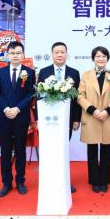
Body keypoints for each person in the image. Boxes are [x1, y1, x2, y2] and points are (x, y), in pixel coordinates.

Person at [37, 41, 81, 193]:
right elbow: (38, 97)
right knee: (50, 151)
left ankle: (64, 182)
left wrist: (76, 119)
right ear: (52, 54)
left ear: (66, 54)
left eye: (62, 52)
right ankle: (50, 181)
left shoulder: (74, 73)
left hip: (67, 120)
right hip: (49, 120)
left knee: (63, 151)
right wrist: (38, 119)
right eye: (57, 52)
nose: (60, 55)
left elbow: (76, 98)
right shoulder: (44, 72)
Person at [0, 41, 36, 197]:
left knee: (20, 150)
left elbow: (31, 94)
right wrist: (6, 109)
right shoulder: (0, 72)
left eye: (18, 53)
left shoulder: (29, 72)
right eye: (12, 53)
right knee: (5, 151)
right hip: (4, 117)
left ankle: (20, 181)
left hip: (21, 116)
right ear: (7, 55)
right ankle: (6, 183)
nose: (15, 56)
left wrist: (17, 109)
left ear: (23, 55)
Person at [77, 46, 110, 193]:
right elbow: (80, 96)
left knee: (106, 151)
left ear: (107, 58)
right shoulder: (86, 75)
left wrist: (107, 111)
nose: (100, 59)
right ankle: (95, 181)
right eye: (98, 56)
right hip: (91, 117)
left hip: (108, 117)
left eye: (103, 56)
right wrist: (93, 110)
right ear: (93, 58)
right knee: (92, 150)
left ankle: (104, 180)